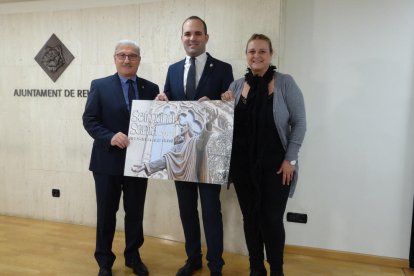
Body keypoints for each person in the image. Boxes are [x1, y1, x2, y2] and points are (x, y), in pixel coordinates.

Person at [221, 34, 306, 276]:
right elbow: (225, 126)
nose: (256, 56)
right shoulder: (236, 86)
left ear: (270, 54)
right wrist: (221, 104)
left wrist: (291, 159)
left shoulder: (285, 83)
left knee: (271, 219)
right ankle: (256, 268)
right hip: (243, 165)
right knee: (251, 219)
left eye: (262, 51)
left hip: (277, 166)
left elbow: (299, 123)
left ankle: (277, 270)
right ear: (246, 55)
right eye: (251, 51)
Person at [156, 16, 233, 276]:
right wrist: (162, 99)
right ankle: (193, 259)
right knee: (187, 209)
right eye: (188, 34)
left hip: (210, 154)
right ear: (182, 38)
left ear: (206, 37)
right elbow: (168, 100)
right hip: (181, 153)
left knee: (211, 211)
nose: (192, 38)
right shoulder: (173, 69)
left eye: (198, 33)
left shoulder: (223, 69)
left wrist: (215, 102)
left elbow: (228, 109)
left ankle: (216, 265)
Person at [82, 40, 159, 276]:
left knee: (135, 212)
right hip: (107, 161)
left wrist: (163, 108)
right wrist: (109, 136)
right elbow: (90, 120)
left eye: (132, 56)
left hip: (139, 163)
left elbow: (157, 124)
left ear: (139, 59)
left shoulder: (152, 88)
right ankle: (104, 261)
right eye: (122, 55)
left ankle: (133, 257)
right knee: (106, 213)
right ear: (114, 58)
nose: (127, 60)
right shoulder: (100, 85)